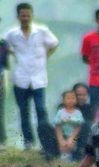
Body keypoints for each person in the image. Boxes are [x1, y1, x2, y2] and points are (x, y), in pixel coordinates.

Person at [4, 3, 58, 152]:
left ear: (32, 15)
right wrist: (14, 55)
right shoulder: (12, 34)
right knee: (24, 111)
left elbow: (54, 43)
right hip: (20, 78)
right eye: (23, 15)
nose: (25, 18)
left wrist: (45, 57)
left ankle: (45, 143)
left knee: (41, 109)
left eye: (28, 15)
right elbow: (4, 45)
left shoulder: (42, 31)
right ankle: (28, 142)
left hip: (38, 78)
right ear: (18, 17)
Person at [54, 90, 84, 162]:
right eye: (68, 98)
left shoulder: (78, 112)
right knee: (63, 145)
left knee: (72, 144)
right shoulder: (60, 112)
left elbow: (79, 125)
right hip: (63, 135)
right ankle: (64, 157)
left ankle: (72, 157)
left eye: (73, 98)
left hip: (75, 136)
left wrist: (71, 139)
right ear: (63, 100)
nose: (71, 100)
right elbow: (56, 124)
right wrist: (61, 140)